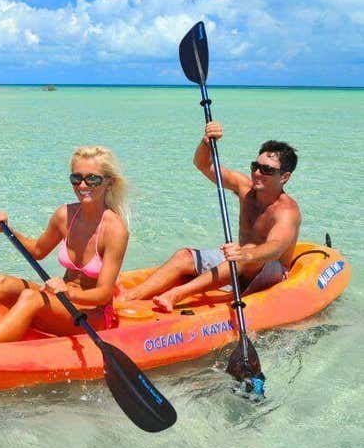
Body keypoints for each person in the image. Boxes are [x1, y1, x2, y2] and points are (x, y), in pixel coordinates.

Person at [0, 146, 130, 344]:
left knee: (31, 297)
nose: (83, 185)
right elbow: (37, 251)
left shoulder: (115, 230)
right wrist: (7, 229)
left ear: (109, 182)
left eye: (92, 179)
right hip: (60, 302)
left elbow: (104, 295)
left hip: (92, 317)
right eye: (76, 178)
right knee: (2, 283)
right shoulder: (65, 214)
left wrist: (69, 293)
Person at [120, 121, 301, 311]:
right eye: (255, 166)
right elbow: (204, 165)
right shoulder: (244, 188)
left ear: (284, 177)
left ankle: (176, 294)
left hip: (270, 272)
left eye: (267, 170)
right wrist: (206, 143)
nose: (257, 173)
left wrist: (246, 253)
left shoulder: (287, 211)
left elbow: (276, 247)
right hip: (239, 260)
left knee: (243, 255)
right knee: (184, 255)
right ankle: (132, 296)